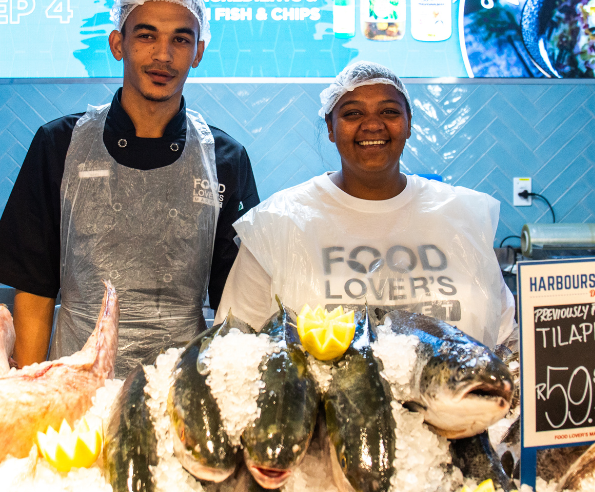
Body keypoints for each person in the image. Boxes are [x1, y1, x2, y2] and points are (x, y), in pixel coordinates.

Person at [0, 0, 259, 374]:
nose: (163, 55)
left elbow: (237, 302)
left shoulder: (225, 159)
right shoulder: (59, 145)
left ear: (198, 52)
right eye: (146, 35)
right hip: (74, 383)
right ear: (118, 43)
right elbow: (35, 291)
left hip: (180, 390)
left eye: (180, 39)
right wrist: (29, 386)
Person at [216, 62, 514, 346]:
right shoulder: (278, 222)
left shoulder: (462, 215)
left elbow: (505, 341)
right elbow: (237, 344)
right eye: (353, 114)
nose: (372, 125)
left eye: (389, 111)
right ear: (331, 129)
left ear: (408, 124)